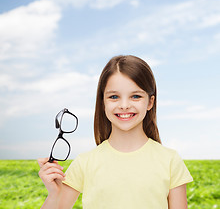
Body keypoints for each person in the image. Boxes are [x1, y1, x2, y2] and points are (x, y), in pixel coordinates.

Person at [38, 55, 193, 209]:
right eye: (114, 96)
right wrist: (54, 194)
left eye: (135, 96)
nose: (124, 105)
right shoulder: (85, 163)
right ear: (102, 102)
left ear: (150, 102)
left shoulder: (170, 161)